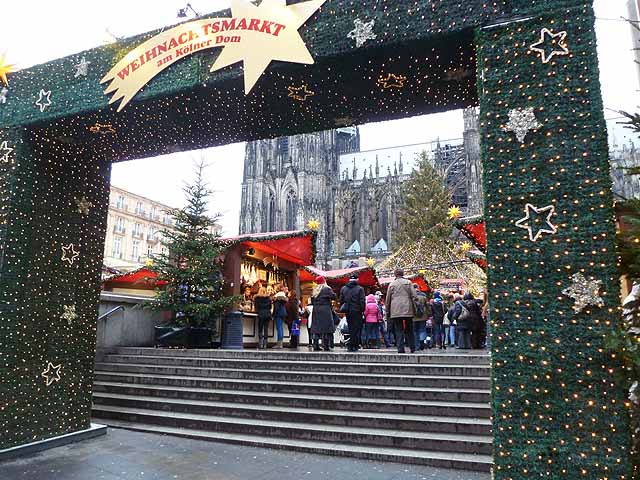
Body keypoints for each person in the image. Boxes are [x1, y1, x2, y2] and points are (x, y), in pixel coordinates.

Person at [385, 268, 418, 354]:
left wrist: (387, 311)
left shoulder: (392, 284)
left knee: (398, 329)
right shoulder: (408, 282)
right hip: (408, 307)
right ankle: (412, 347)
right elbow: (414, 295)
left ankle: (400, 348)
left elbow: (388, 299)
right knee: (409, 328)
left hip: (395, 309)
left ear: (395, 274)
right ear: (403, 274)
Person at [339, 274, 366, 352]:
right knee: (356, 328)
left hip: (348, 311)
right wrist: (362, 310)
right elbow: (362, 301)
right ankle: (354, 345)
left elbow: (341, 300)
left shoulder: (343, 288)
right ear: (357, 280)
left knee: (351, 328)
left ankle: (351, 345)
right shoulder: (360, 289)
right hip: (357, 311)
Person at [311, 276, 337, 351]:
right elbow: (334, 297)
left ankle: (315, 345)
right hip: (325, 310)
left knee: (316, 327)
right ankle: (326, 345)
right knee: (326, 327)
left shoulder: (315, 290)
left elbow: (312, 301)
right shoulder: (326, 289)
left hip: (316, 310)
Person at [412, 284, 430, 351]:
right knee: (422, 330)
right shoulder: (423, 297)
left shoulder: (411, 297)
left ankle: (417, 346)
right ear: (418, 288)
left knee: (415, 331)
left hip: (413, 317)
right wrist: (428, 314)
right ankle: (422, 342)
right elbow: (428, 306)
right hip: (423, 316)